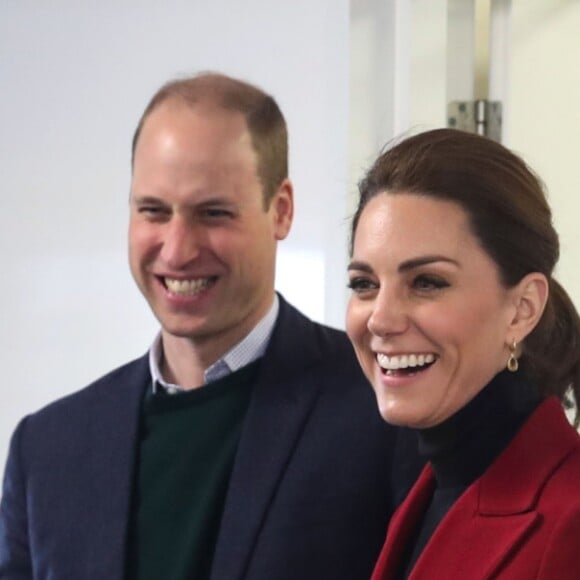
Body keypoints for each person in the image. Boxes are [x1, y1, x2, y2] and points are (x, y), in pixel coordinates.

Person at [0, 72, 421, 580]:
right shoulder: (47, 449)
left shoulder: (386, 411)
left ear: (281, 210)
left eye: (213, 213)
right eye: (153, 211)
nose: (177, 250)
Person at [346, 127, 580, 580]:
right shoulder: (429, 493)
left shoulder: (570, 518)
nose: (380, 319)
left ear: (522, 309)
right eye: (364, 284)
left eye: (427, 282)